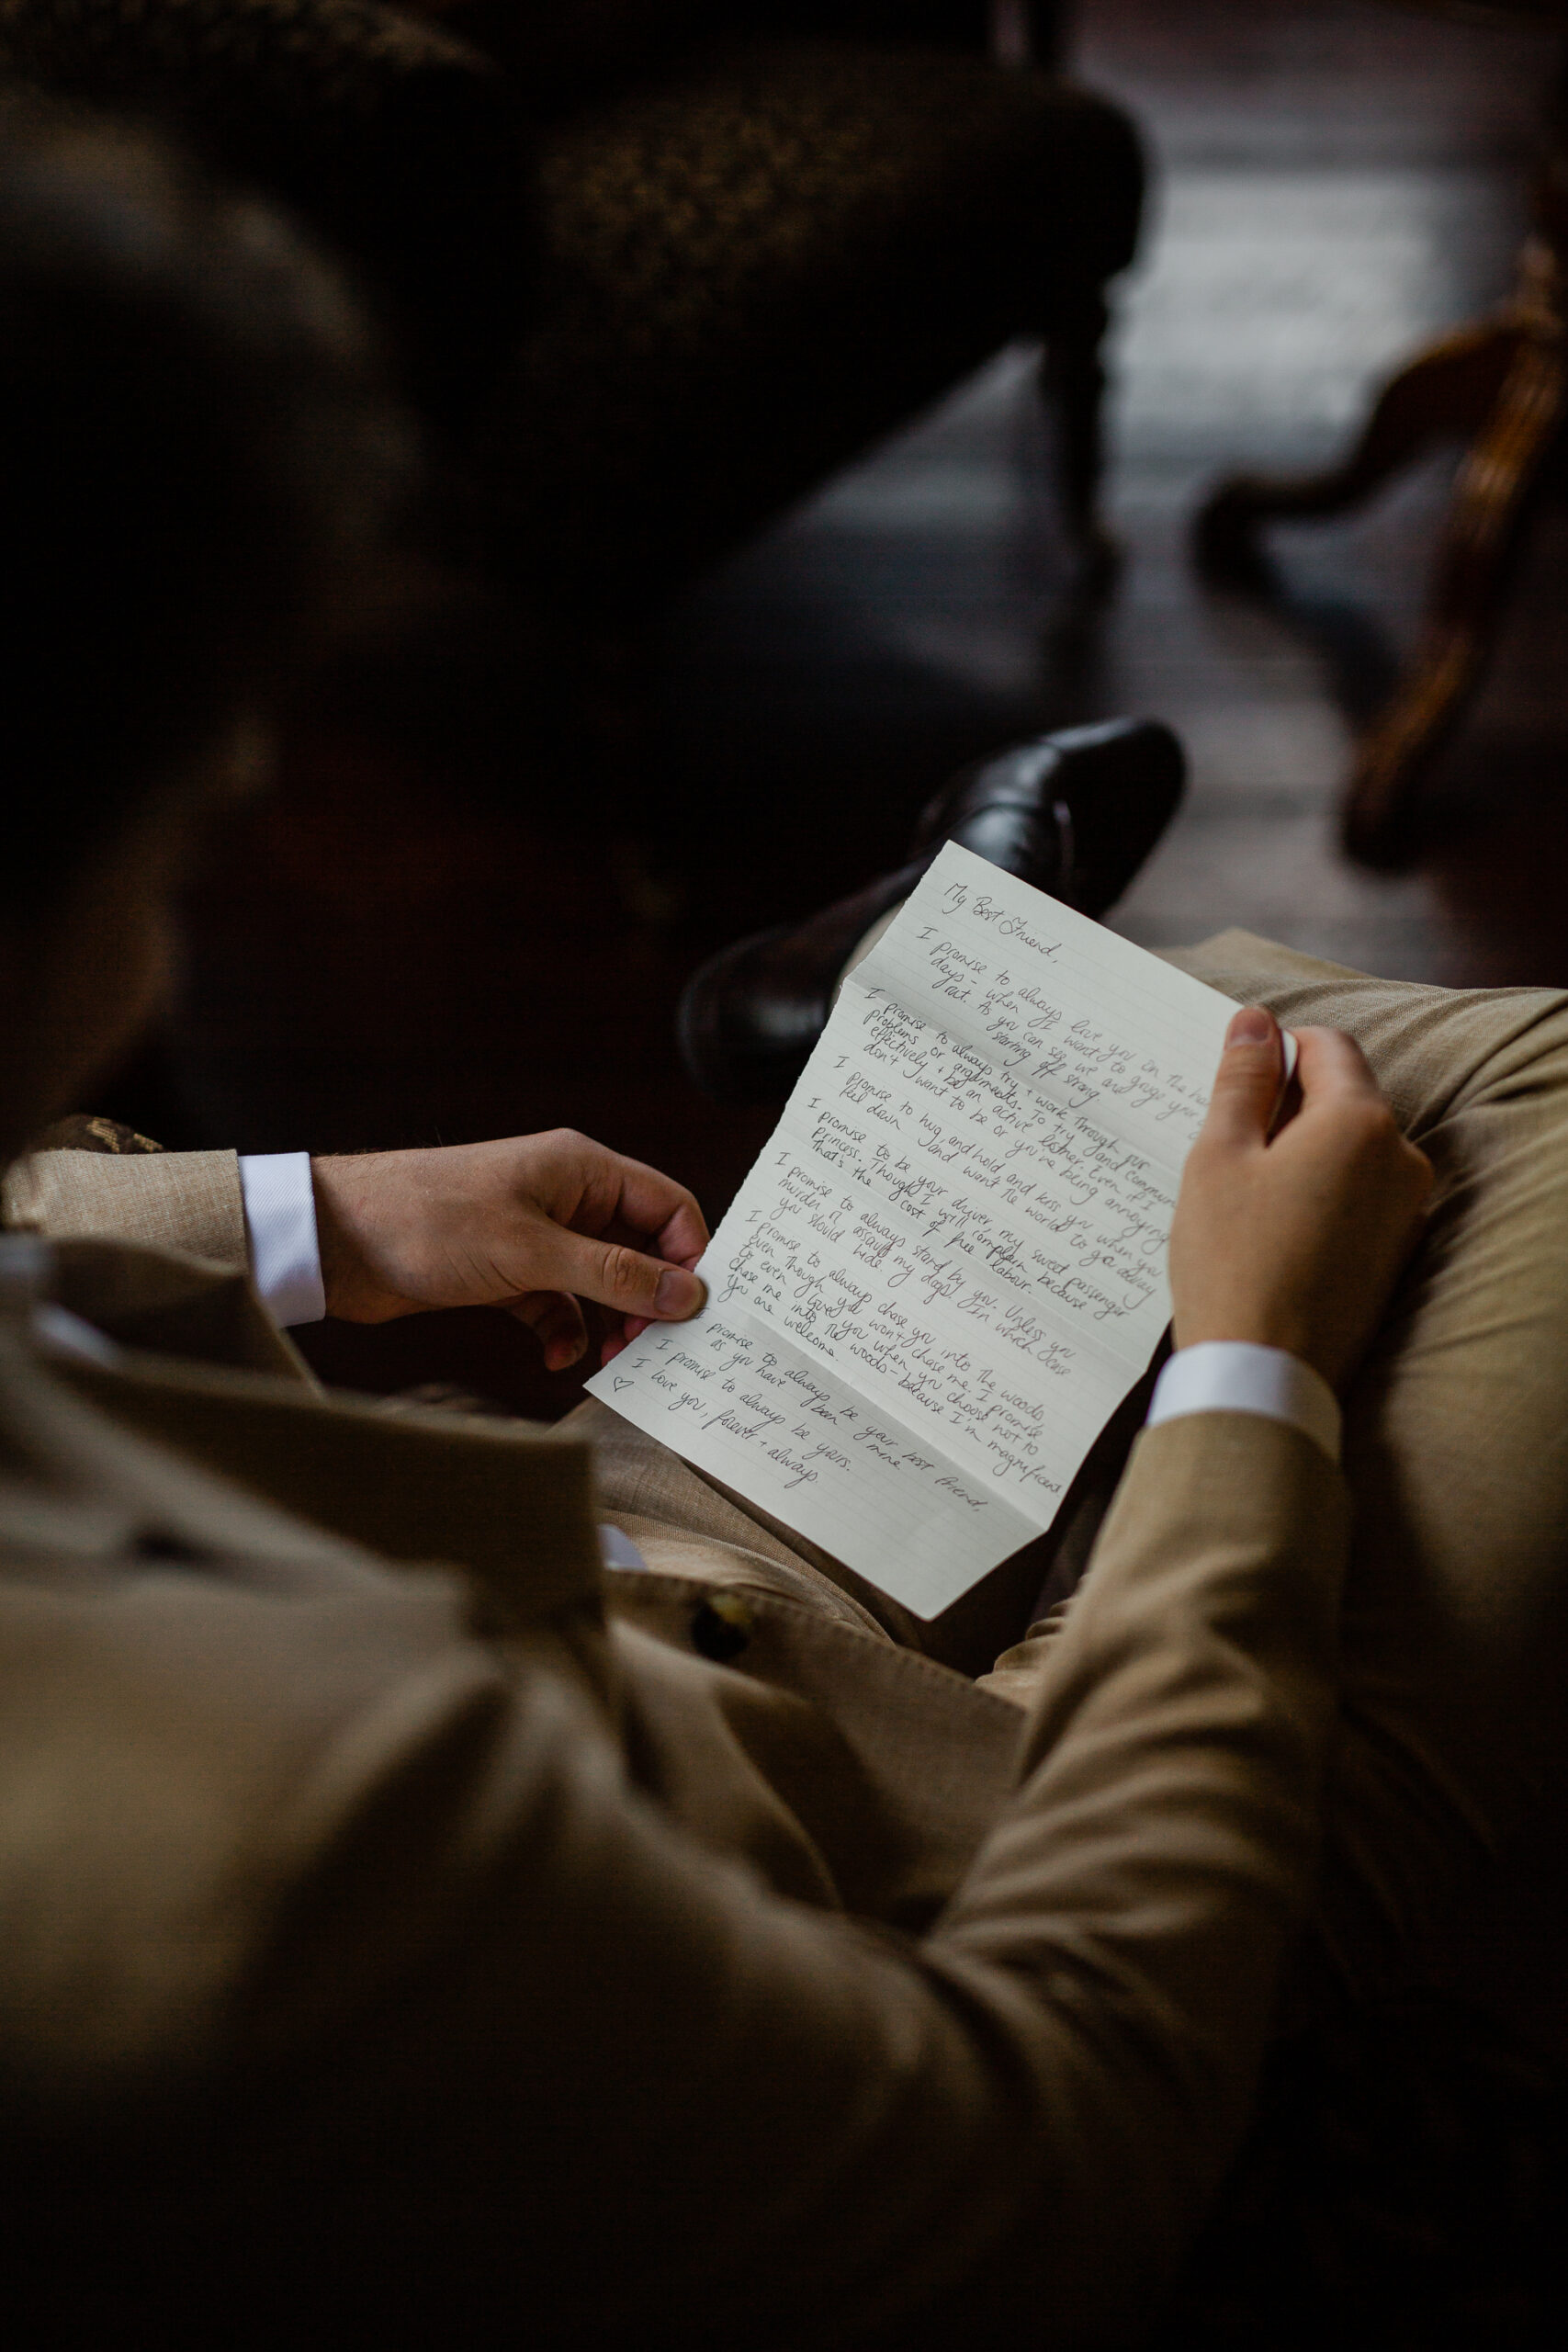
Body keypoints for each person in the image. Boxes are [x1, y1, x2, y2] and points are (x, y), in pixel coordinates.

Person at [0, 96, 1560, 2349]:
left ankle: (948, 978)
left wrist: (316, 1212)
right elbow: (1050, 2153)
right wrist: (1254, 1370)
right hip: (958, 1866)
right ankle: (940, 972)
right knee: (1502, 1087)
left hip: (613, 1600)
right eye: (183, 834)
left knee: (1189, 1048)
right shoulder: (264, 1841)